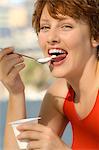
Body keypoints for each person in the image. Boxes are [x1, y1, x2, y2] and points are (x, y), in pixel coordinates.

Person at [0, 0, 99, 149]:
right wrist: (15, 93)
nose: (51, 38)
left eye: (66, 26)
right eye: (45, 27)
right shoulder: (58, 95)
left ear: (95, 36)